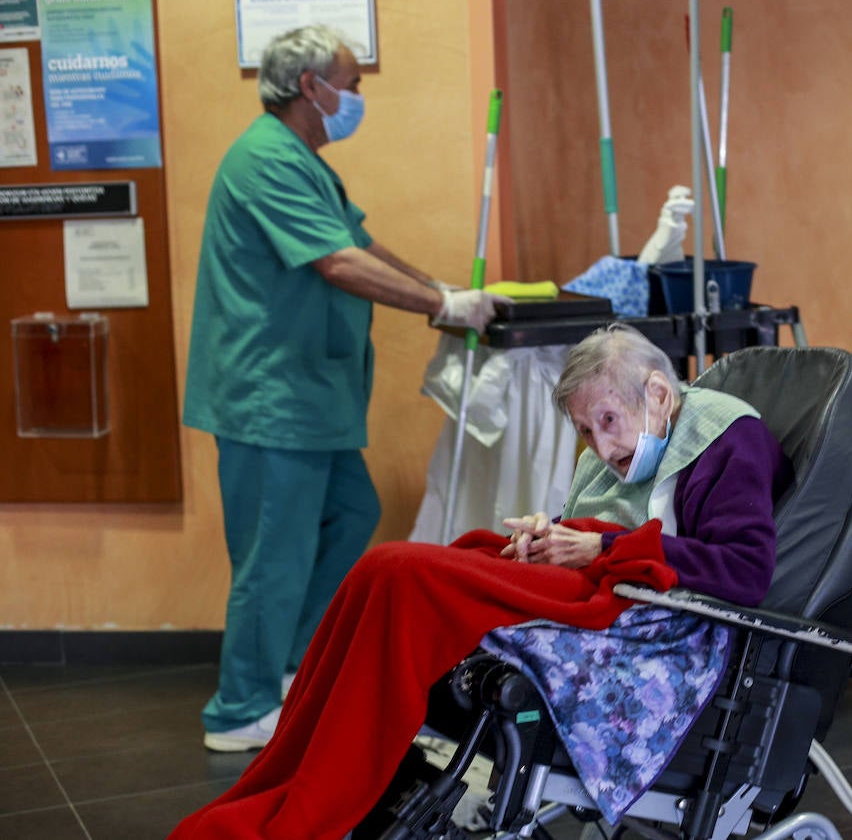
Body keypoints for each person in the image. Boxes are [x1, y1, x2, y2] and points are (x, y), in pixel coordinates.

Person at [169, 324, 790, 839]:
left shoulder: (731, 438)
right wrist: (548, 544)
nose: (600, 447)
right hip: (605, 583)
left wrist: (599, 545)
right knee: (381, 567)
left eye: (607, 419)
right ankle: (297, 772)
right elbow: (599, 530)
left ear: (658, 393)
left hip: (647, 615)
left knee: (403, 574)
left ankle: (321, 800)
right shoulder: (634, 444)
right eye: (583, 430)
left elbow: (744, 568)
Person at [183, 23, 509, 754]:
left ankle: (295, 663)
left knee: (351, 512)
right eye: (352, 83)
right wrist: (438, 308)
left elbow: (359, 242)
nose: (358, 97)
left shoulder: (303, 161)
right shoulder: (265, 159)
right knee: (274, 554)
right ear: (312, 87)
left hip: (309, 396)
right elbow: (336, 264)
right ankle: (239, 708)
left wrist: (441, 288)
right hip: (270, 397)